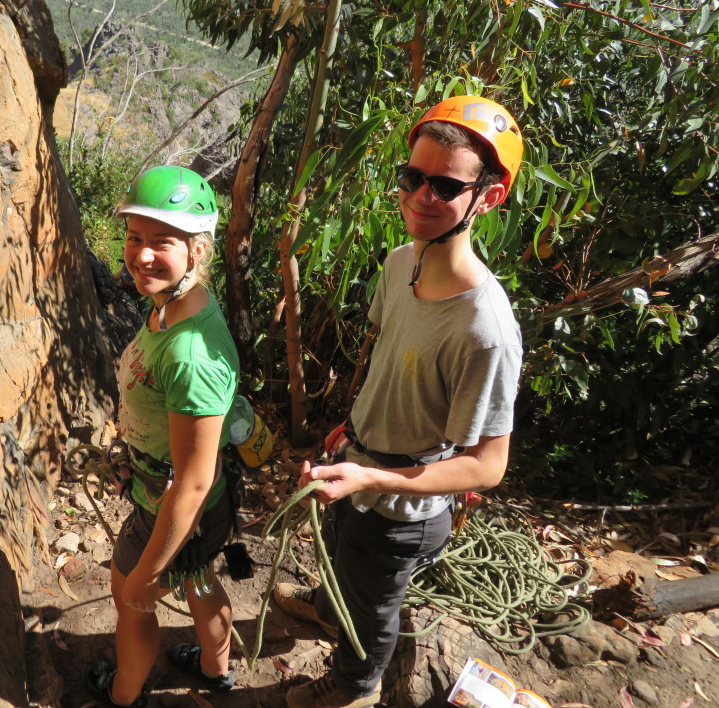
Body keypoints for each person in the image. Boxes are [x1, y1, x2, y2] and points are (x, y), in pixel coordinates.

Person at [273, 95, 525, 708]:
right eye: (412, 177)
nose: (420, 197)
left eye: (444, 186)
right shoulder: (399, 263)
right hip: (359, 460)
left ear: (486, 198)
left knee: (376, 605)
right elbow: (392, 362)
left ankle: (354, 688)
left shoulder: (485, 328)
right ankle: (332, 607)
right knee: (342, 556)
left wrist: (371, 474)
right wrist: (352, 428)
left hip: (401, 511)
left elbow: (488, 465)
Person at [86, 165, 240, 707]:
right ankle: (215, 670)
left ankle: (124, 694)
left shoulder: (190, 352)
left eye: (162, 242)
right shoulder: (174, 308)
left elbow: (191, 484)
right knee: (198, 577)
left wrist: (148, 575)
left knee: (131, 599)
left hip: (176, 505)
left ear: (197, 250)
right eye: (133, 237)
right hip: (201, 504)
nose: (141, 254)